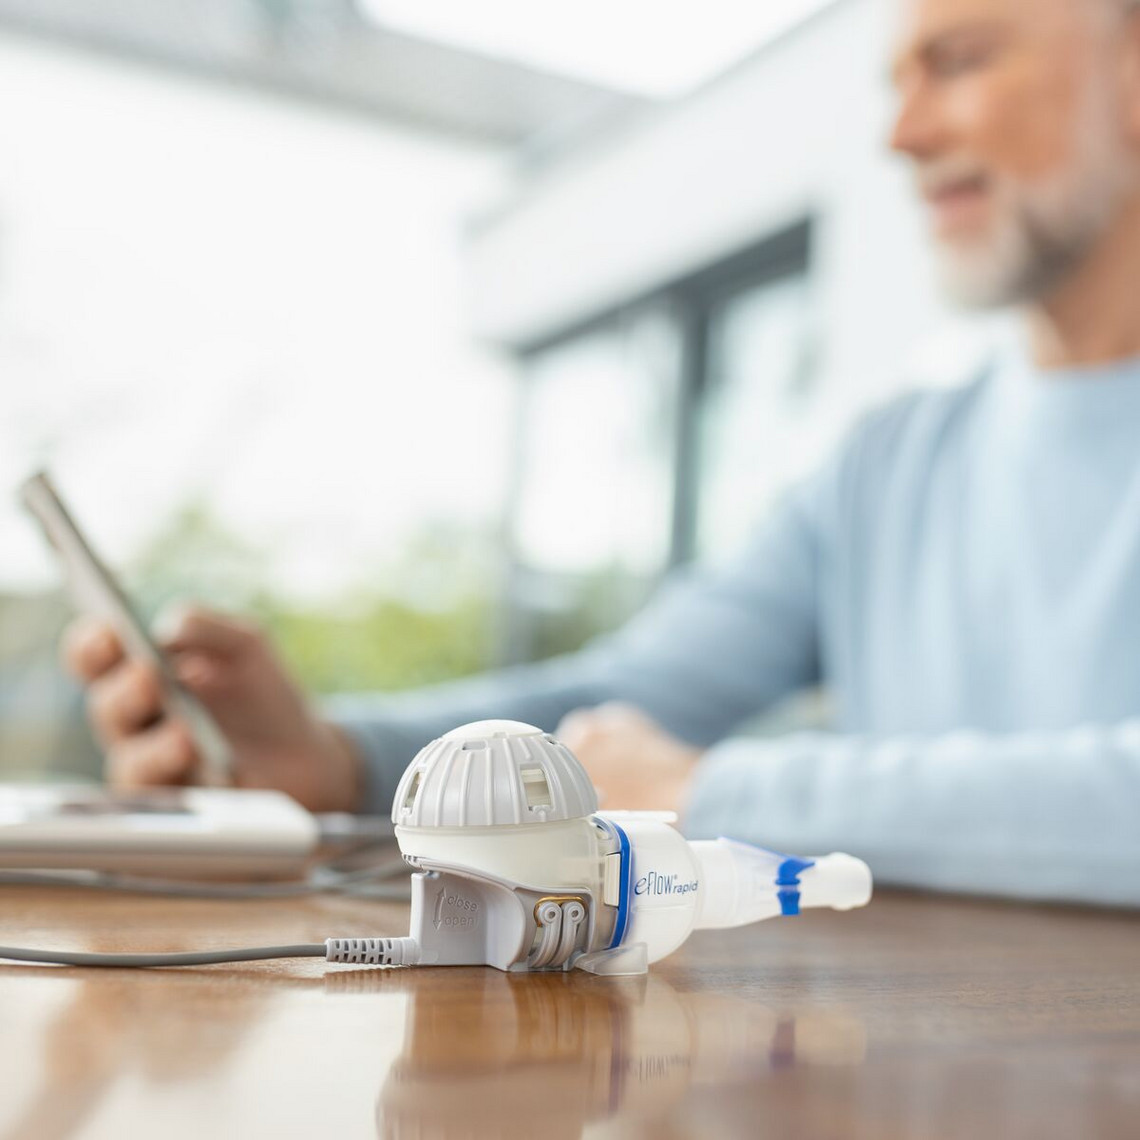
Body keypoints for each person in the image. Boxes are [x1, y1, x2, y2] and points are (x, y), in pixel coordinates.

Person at [64, 0, 1140, 905]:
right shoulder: (888, 462)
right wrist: (333, 761)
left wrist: (717, 796)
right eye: (894, 79)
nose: (899, 132)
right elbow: (631, 701)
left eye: (957, 62)